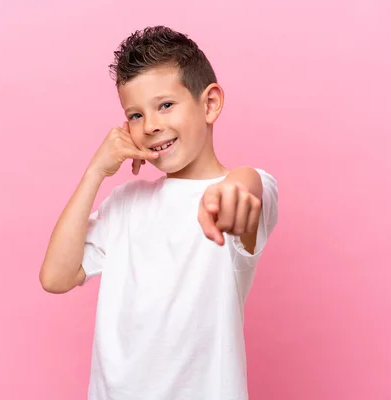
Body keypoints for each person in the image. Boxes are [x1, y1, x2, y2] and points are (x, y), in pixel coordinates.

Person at [39, 25, 279, 400]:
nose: (150, 125)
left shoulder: (237, 192)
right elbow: (55, 277)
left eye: (165, 105)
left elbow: (248, 186)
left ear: (210, 103)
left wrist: (237, 188)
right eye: (134, 115)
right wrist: (95, 172)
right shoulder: (125, 202)